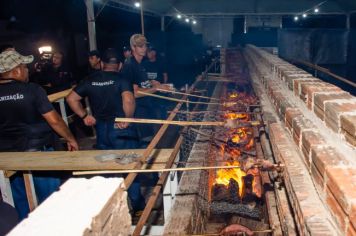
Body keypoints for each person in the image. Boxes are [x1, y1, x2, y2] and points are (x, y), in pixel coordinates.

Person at [0, 50, 79, 220]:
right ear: (15, 71)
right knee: (51, 200)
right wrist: (70, 138)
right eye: (25, 67)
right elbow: (55, 120)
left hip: (9, 158)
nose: (28, 70)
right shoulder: (33, 90)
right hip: (39, 153)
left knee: (20, 201)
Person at [66, 48, 144, 213]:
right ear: (120, 65)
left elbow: (71, 98)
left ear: (101, 64)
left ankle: (114, 206)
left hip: (102, 130)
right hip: (121, 130)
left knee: (109, 167)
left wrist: (84, 116)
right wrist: (127, 118)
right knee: (129, 166)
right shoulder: (123, 79)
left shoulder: (90, 79)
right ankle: (137, 205)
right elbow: (129, 100)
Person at [121, 34, 171, 147]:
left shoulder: (140, 64)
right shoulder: (129, 65)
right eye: (140, 46)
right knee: (144, 146)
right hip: (138, 112)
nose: (144, 48)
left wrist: (153, 83)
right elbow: (134, 93)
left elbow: (141, 83)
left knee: (150, 142)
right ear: (133, 47)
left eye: (144, 46)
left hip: (146, 109)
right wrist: (155, 88)